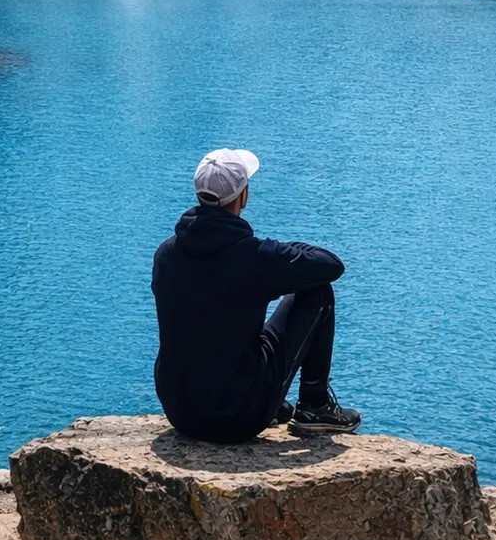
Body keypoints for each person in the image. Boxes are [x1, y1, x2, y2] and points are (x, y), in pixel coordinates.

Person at [151, 148, 361, 444]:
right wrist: (278, 249)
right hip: (237, 418)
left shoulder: (165, 254)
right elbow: (331, 265)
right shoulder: (255, 257)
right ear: (243, 196)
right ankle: (315, 406)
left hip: (180, 411)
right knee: (318, 293)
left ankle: (268, 403)